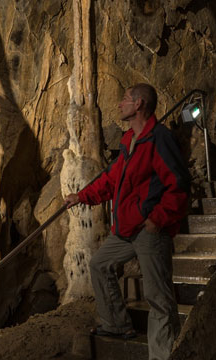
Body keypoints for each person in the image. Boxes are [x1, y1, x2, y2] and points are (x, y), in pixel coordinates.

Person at [64, 83, 189, 360]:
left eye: (125, 100)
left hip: (149, 231)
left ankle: (163, 355)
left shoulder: (158, 139)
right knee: (99, 264)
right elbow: (111, 181)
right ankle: (117, 324)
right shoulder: (129, 141)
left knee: (158, 298)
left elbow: (178, 185)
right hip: (126, 229)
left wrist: (157, 220)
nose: (120, 104)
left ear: (140, 104)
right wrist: (81, 197)